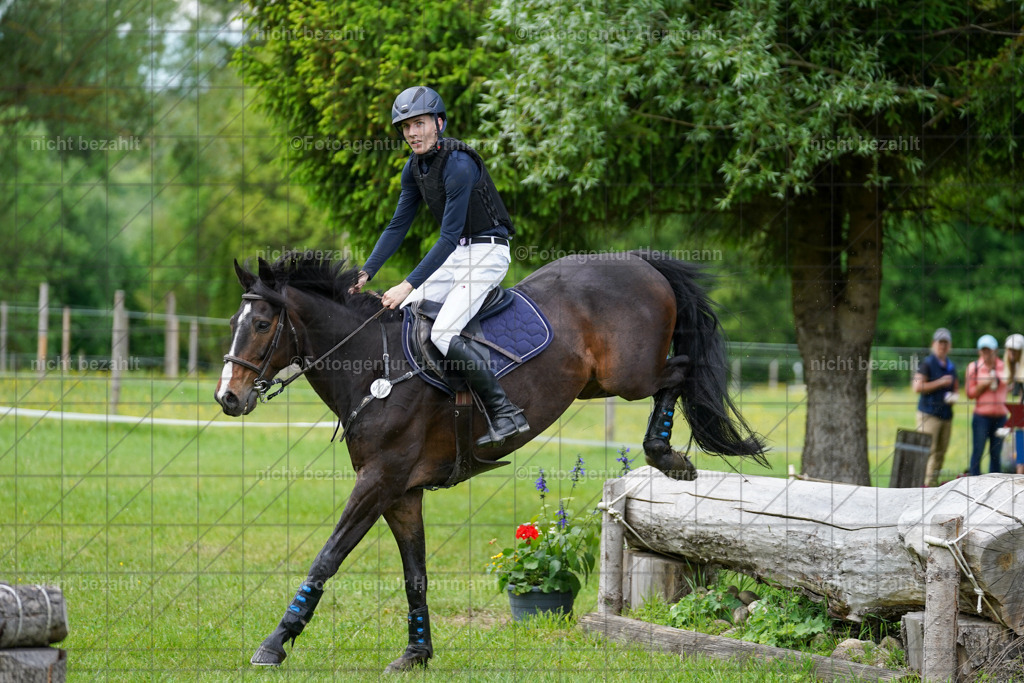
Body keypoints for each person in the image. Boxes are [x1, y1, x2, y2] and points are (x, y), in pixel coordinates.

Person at [350, 86, 529, 447]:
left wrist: (407, 283)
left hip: (488, 254)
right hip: (459, 254)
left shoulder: (459, 164)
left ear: (439, 123)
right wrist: (366, 272)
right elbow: (398, 225)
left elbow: (446, 237)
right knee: (407, 312)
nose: (412, 133)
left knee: (442, 333)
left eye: (419, 124)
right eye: (405, 127)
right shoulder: (414, 168)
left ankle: (504, 411)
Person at [912, 328, 959, 486]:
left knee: (940, 453)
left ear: (949, 345)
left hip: (946, 415)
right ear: (934, 344)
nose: (943, 346)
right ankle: (921, 487)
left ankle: (931, 486)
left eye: (946, 343)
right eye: (940, 342)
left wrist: (954, 396)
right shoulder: (927, 363)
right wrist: (940, 383)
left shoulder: (951, 366)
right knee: (927, 452)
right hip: (929, 414)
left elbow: (956, 388)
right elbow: (917, 387)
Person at [966, 334, 1009, 475]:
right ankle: (973, 484)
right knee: (978, 452)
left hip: (1001, 417)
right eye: (983, 350)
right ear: (980, 351)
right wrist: (983, 385)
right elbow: (969, 393)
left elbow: (1011, 385)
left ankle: (995, 485)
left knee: (996, 454)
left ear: (995, 351)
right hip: (981, 417)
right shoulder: (974, 368)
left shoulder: (1004, 366)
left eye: (989, 350)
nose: (986, 353)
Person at [1003, 334, 1024, 473]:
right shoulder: (1016, 367)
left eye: (1015, 350)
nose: (1012, 353)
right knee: (1020, 456)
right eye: (1009, 349)